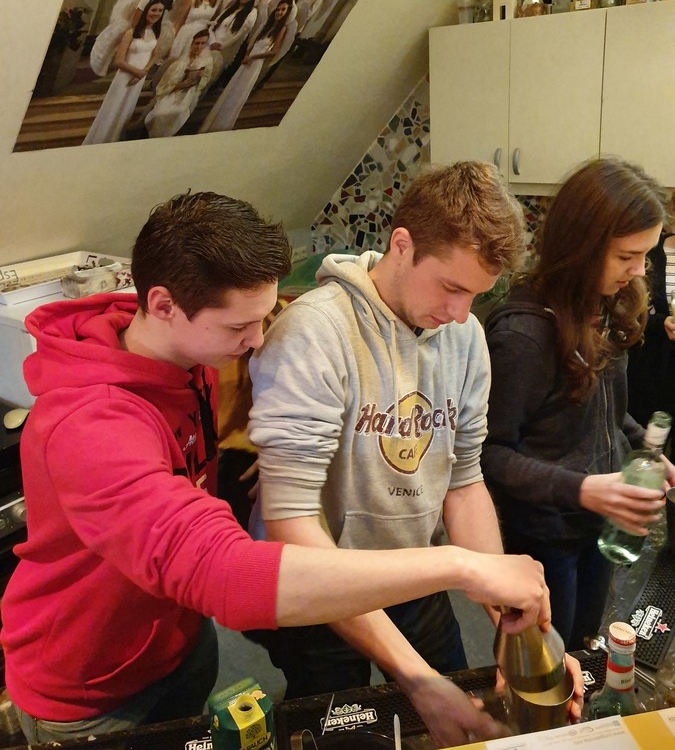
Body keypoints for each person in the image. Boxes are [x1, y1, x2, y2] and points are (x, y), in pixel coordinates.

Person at [1, 189, 554, 747]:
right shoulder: (89, 423)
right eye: (239, 327)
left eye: (262, 318)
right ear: (163, 305)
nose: (259, 341)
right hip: (92, 686)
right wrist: (459, 565)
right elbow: (223, 572)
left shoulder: (187, 357)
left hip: (176, 645)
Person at [247, 162, 584, 748]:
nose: (461, 313)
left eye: (475, 295)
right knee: (343, 731)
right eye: (451, 288)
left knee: (462, 709)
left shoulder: (465, 336)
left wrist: (512, 623)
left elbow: (463, 481)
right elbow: (290, 524)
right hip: (317, 586)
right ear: (401, 245)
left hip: (416, 572)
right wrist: (416, 679)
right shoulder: (313, 334)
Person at [481, 158, 675, 652]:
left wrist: (644, 445)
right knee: (545, 657)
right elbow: (489, 454)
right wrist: (583, 489)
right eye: (627, 256)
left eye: (646, 255)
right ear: (581, 246)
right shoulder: (524, 334)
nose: (639, 271)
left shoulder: (604, 304)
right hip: (545, 534)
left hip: (595, 523)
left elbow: (603, 408)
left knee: (584, 644)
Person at [199, 0, 291, 133]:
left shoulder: (282, 29)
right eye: (278, 9)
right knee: (231, 89)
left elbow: (273, 52)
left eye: (283, 10)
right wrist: (247, 54)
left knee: (238, 93)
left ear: (287, 12)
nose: (279, 12)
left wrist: (252, 57)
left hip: (255, 63)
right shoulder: (268, 26)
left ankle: (222, 126)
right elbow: (254, 43)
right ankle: (212, 123)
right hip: (247, 60)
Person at [82, 0, 164, 145]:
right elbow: (118, 61)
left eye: (160, 11)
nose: (156, 13)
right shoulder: (130, 33)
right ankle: (100, 140)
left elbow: (154, 56)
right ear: (146, 11)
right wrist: (137, 72)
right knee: (113, 109)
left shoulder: (155, 33)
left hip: (138, 79)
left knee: (126, 110)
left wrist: (143, 72)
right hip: (125, 77)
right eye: (153, 10)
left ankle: (114, 140)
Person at [627, 188, 675, 427]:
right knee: (646, 434)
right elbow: (629, 310)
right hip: (651, 367)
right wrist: (661, 322)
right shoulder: (649, 252)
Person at [143, 29, 212, 138]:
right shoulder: (181, 61)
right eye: (197, 43)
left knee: (178, 112)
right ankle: (155, 136)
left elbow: (204, 83)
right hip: (173, 91)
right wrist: (179, 85)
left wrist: (198, 77)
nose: (199, 47)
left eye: (203, 43)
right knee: (159, 113)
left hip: (189, 93)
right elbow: (166, 82)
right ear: (192, 44)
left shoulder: (207, 61)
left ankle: (166, 136)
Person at [205, 0, 259, 90]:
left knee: (208, 78)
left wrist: (221, 46)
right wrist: (213, 42)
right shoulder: (231, 8)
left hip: (224, 50)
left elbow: (240, 35)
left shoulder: (252, 12)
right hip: (210, 44)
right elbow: (213, 25)